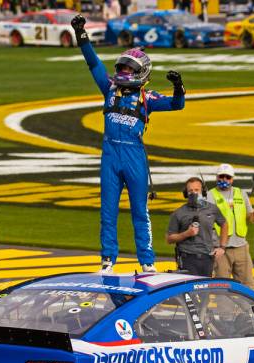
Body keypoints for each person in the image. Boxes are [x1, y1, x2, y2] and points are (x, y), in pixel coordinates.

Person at [72, 14, 185, 274]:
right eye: (122, 68)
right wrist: (81, 34)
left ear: (141, 72)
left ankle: (147, 262)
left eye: (128, 69)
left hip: (135, 156)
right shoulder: (109, 88)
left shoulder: (149, 97)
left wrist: (178, 86)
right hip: (110, 154)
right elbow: (93, 63)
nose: (123, 72)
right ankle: (107, 260)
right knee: (107, 211)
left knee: (140, 212)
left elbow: (177, 105)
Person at [206, 164, 254, 288]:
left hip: (241, 246)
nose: (224, 180)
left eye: (227, 177)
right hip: (221, 248)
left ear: (232, 179)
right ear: (217, 177)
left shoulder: (241, 193)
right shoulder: (210, 195)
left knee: (247, 285)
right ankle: (223, 308)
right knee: (221, 286)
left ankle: (247, 308)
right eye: (221, 176)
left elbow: (249, 215)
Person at [167, 178, 228, 277]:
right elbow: (169, 239)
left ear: (203, 192)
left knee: (204, 290)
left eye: (196, 190)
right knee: (189, 291)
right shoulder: (179, 213)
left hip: (207, 258)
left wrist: (222, 247)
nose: (194, 193)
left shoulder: (212, 209)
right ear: (186, 193)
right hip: (187, 258)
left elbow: (224, 224)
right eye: (190, 191)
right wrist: (186, 233)